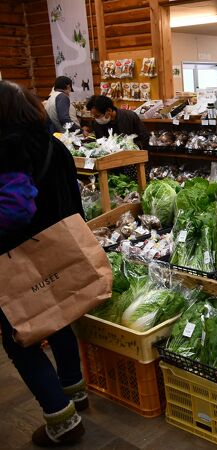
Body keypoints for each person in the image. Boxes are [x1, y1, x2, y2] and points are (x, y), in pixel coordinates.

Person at [0, 81, 87, 447]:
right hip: (59, 251)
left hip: (20, 259)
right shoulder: (55, 146)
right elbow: (75, 201)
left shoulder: (6, 150)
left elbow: (14, 211)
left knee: (20, 338)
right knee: (60, 315)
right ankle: (75, 389)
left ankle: (61, 419)